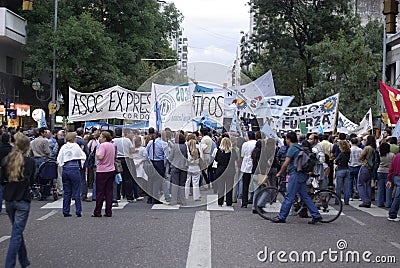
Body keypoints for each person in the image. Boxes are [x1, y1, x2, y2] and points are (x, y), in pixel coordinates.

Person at [272, 131, 322, 224]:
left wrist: (280, 173)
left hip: (295, 174)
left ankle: (282, 216)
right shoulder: (299, 147)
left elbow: (286, 163)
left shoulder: (292, 149)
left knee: (289, 196)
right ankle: (316, 215)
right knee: (305, 196)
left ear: (288, 139)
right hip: (302, 174)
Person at [0, 135, 35, 268]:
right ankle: (9, 264)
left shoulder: (7, 160)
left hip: (9, 199)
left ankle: (24, 261)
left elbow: (2, 179)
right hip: (22, 199)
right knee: (16, 234)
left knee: (17, 231)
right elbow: (32, 181)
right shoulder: (30, 162)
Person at [57, 132, 87, 217]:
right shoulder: (76, 146)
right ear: (74, 138)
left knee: (67, 192)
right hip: (74, 169)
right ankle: (78, 211)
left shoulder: (64, 147)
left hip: (66, 169)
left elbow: (59, 159)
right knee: (76, 191)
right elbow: (82, 156)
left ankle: (65, 211)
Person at [93, 131, 116, 217]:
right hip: (111, 169)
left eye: (101, 137)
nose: (99, 138)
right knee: (109, 192)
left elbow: (100, 157)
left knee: (100, 192)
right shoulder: (112, 145)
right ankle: (108, 211)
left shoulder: (102, 146)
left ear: (105, 138)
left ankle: (98, 211)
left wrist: (96, 152)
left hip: (102, 170)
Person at [214, 137, 237, 207]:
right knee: (229, 187)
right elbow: (236, 158)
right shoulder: (232, 151)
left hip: (221, 170)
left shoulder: (218, 151)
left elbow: (216, 159)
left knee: (221, 187)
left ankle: (220, 202)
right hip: (230, 170)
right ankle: (229, 202)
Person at [357, 135, 377, 208]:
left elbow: (361, 157)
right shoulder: (374, 148)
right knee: (368, 184)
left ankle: (365, 200)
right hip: (371, 168)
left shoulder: (367, 148)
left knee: (360, 184)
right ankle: (368, 200)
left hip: (365, 166)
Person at [168, 134, 188, 206]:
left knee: (175, 184)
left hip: (175, 166)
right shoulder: (185, 146)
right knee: (182, 184)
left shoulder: (174, 146)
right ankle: (183, 200)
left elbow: (170, 157)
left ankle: (174, 200)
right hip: (184, 167)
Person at [240, 131, 257, 208]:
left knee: (245, 185)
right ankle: (254, 200)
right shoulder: (257, 143)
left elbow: (242, 155)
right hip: (254, 165)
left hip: (246, 165)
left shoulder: (245, 144)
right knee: (255, 185)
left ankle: (244, 202)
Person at [376, 142, 394, 207]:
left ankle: (380, 203)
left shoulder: (379, 154)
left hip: (380, 171)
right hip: (389, 172)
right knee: (388, 188)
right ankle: (388, 203)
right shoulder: (392, 155)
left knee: (380, 188)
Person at [334, 140, 351, 205]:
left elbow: (335, 161)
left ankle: (337, 201)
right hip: (347, 169)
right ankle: (346, 201)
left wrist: (336, 162)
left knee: (338, 187)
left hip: (340, 169)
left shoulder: (341, 154)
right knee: (346, 187)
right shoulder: (348, 153)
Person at [0, 133, 13, 215]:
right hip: (10, 171)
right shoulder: (12, 149)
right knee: (10, 190)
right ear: (9, 140)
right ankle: (10, 207)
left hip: (0, 171)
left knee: (0, 191)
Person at [387, 150, 400, 221]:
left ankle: (392, 214)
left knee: (397, 196)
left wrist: (389, 179)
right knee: (397, 197)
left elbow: (391, 168)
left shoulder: (396, 156)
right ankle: (392, 214)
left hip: (396, 177)